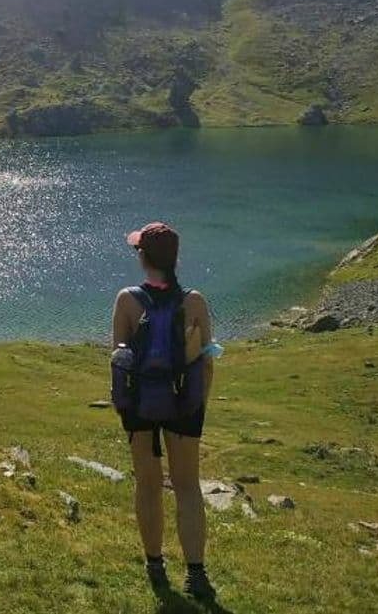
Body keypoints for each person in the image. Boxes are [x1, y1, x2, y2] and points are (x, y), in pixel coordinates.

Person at [111, 221, 217, 602]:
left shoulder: (126, 300)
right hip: (185, 402)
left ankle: (155, 565)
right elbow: (206, 360)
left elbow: (119, 357)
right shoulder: (195, 301)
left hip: (141, 404)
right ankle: (196, 574)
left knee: (148, 482)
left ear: (143, 258)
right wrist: (197, 403)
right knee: (187, 485)